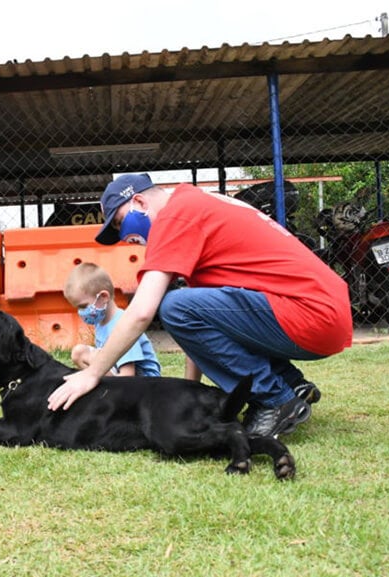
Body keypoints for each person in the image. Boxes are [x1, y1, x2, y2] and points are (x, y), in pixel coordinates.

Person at [47, 173, 352, 437]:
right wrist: (186, 395)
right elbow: (201, 334)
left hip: (309, 314)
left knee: (173, 306)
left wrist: (92, 373)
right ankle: (292, 384)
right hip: (320, 312)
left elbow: (142, 312)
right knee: (184, 307)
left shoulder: (175, 217)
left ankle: (275, 400)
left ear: (139, 202)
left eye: (120, 222)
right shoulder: (194, 206)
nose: (125, 237)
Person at [63, 262, 161, 377]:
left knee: (85, 354)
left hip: (144, 381)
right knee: (79, 353)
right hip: (123, 375)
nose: (81, 312)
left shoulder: (123, 325)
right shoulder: (101, 321)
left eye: (83, 306)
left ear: (104, 297)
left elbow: (128, 374)